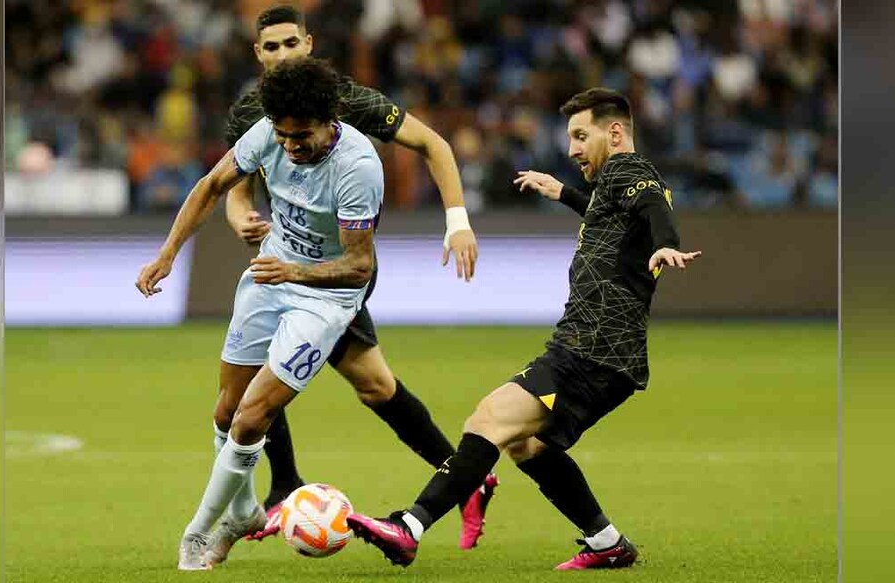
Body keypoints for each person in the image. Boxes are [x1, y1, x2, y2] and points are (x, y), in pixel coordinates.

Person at [346, 88, 702, 570]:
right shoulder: (612, 184)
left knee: (489, 420)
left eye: (581, 136)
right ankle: (606, 542)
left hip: (591, 348)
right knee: (526, 445)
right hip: (602, 351)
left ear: (615, 132)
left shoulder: (628, 170)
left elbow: (653, 206)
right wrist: (564, 193)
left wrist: (668, 244)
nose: (573, 149)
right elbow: (612, 216)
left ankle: (408, 526)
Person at [220, 4, 496, 549]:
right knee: (375, 387)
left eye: (290, 44)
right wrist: (239, 217)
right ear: (258, 53)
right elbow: (235, 185)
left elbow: (433, 145)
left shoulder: (345, 100)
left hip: (335, 269)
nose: (281, 55)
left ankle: (286, 488)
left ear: (309, 43)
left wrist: (457, 221)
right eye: (270, 47)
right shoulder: (251, 110)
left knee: (270, 380)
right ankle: (465, 477)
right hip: (285, 259)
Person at [135, 57, 379, 571]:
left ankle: (200, 531)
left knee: (251, 417)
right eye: (284, 136)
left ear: (329, 119)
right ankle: (246, 511)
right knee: (225, 411)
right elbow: (210, 185)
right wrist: (167, 254)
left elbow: (359, 267)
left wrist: (294, 274)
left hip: (323, 299)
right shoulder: (267, 133)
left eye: (302, 137)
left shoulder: (357, 167)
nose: (290, 146)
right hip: (270, 278)